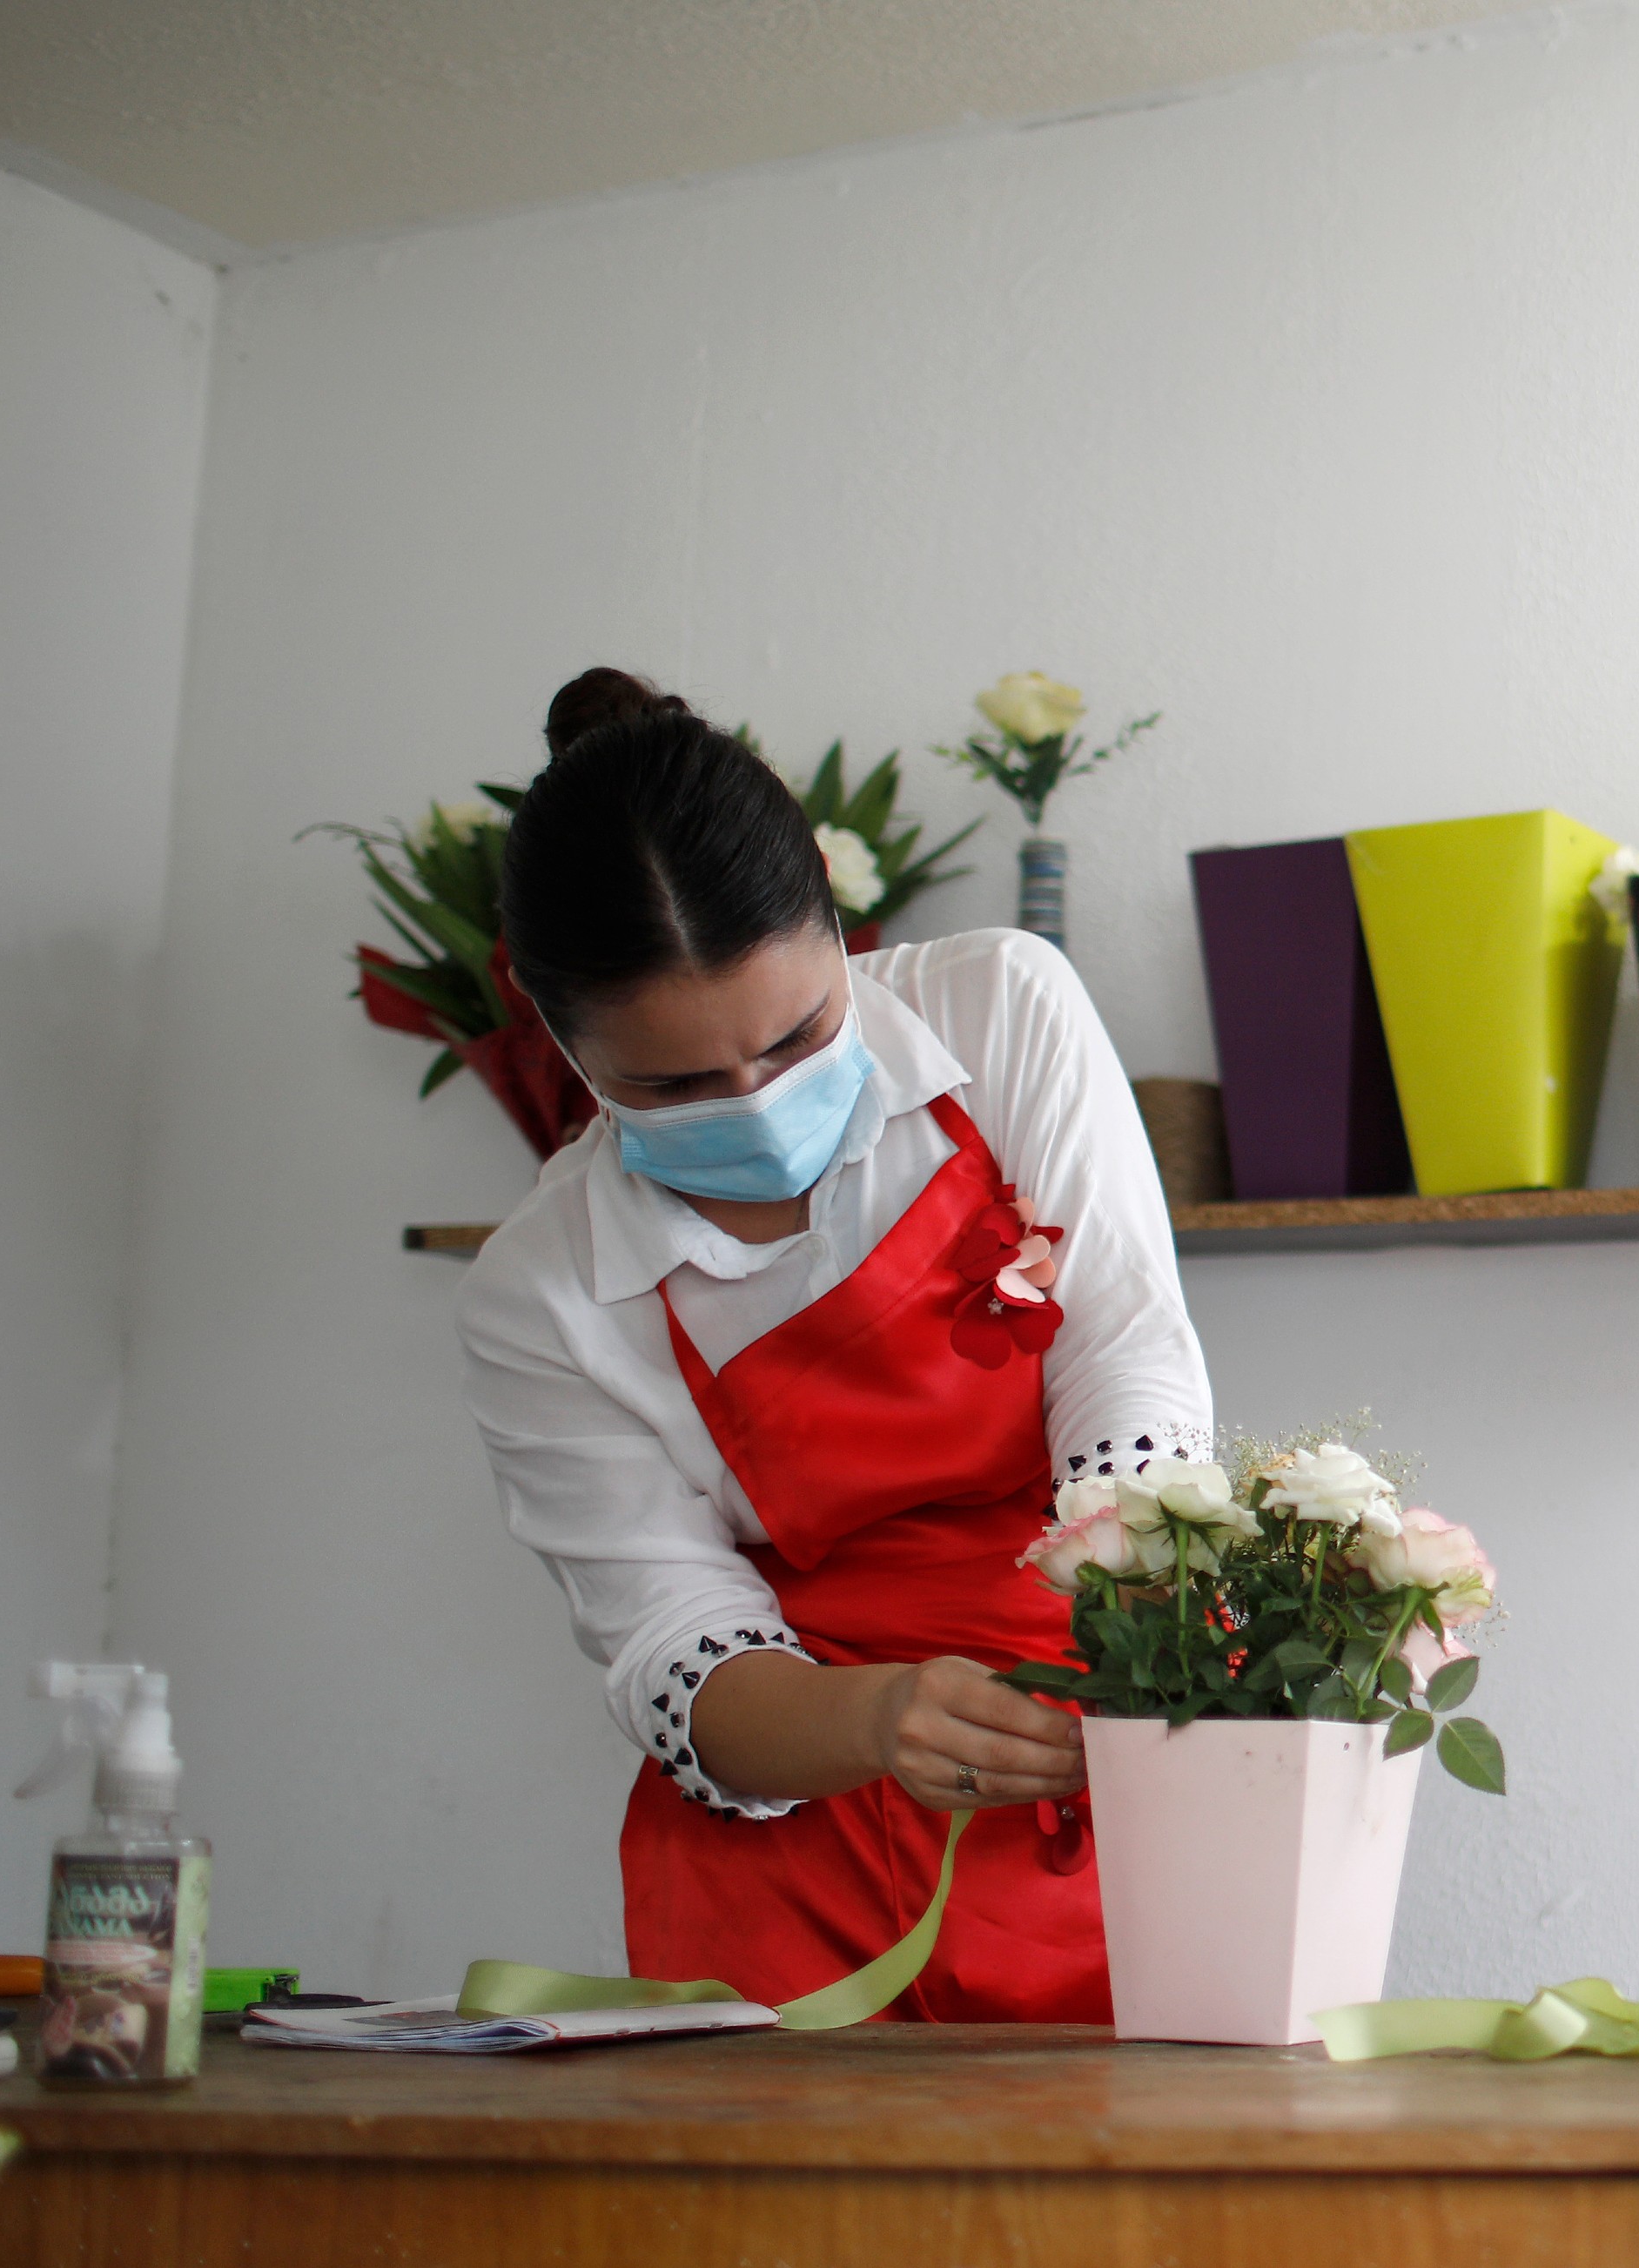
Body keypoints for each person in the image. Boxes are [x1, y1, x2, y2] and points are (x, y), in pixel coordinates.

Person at [456, 667, 1206, 2021]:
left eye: (802, 1035)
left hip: (1094, 1741)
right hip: (800, 1834)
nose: (756, 1102)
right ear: (556, 1035)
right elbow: (674, 1651)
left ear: (827, 902)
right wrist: (877, 1720)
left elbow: (1120, 1347)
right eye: (673, 1086)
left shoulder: (1001, 1008)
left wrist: (1136, 1618)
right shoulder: (543, 1291)